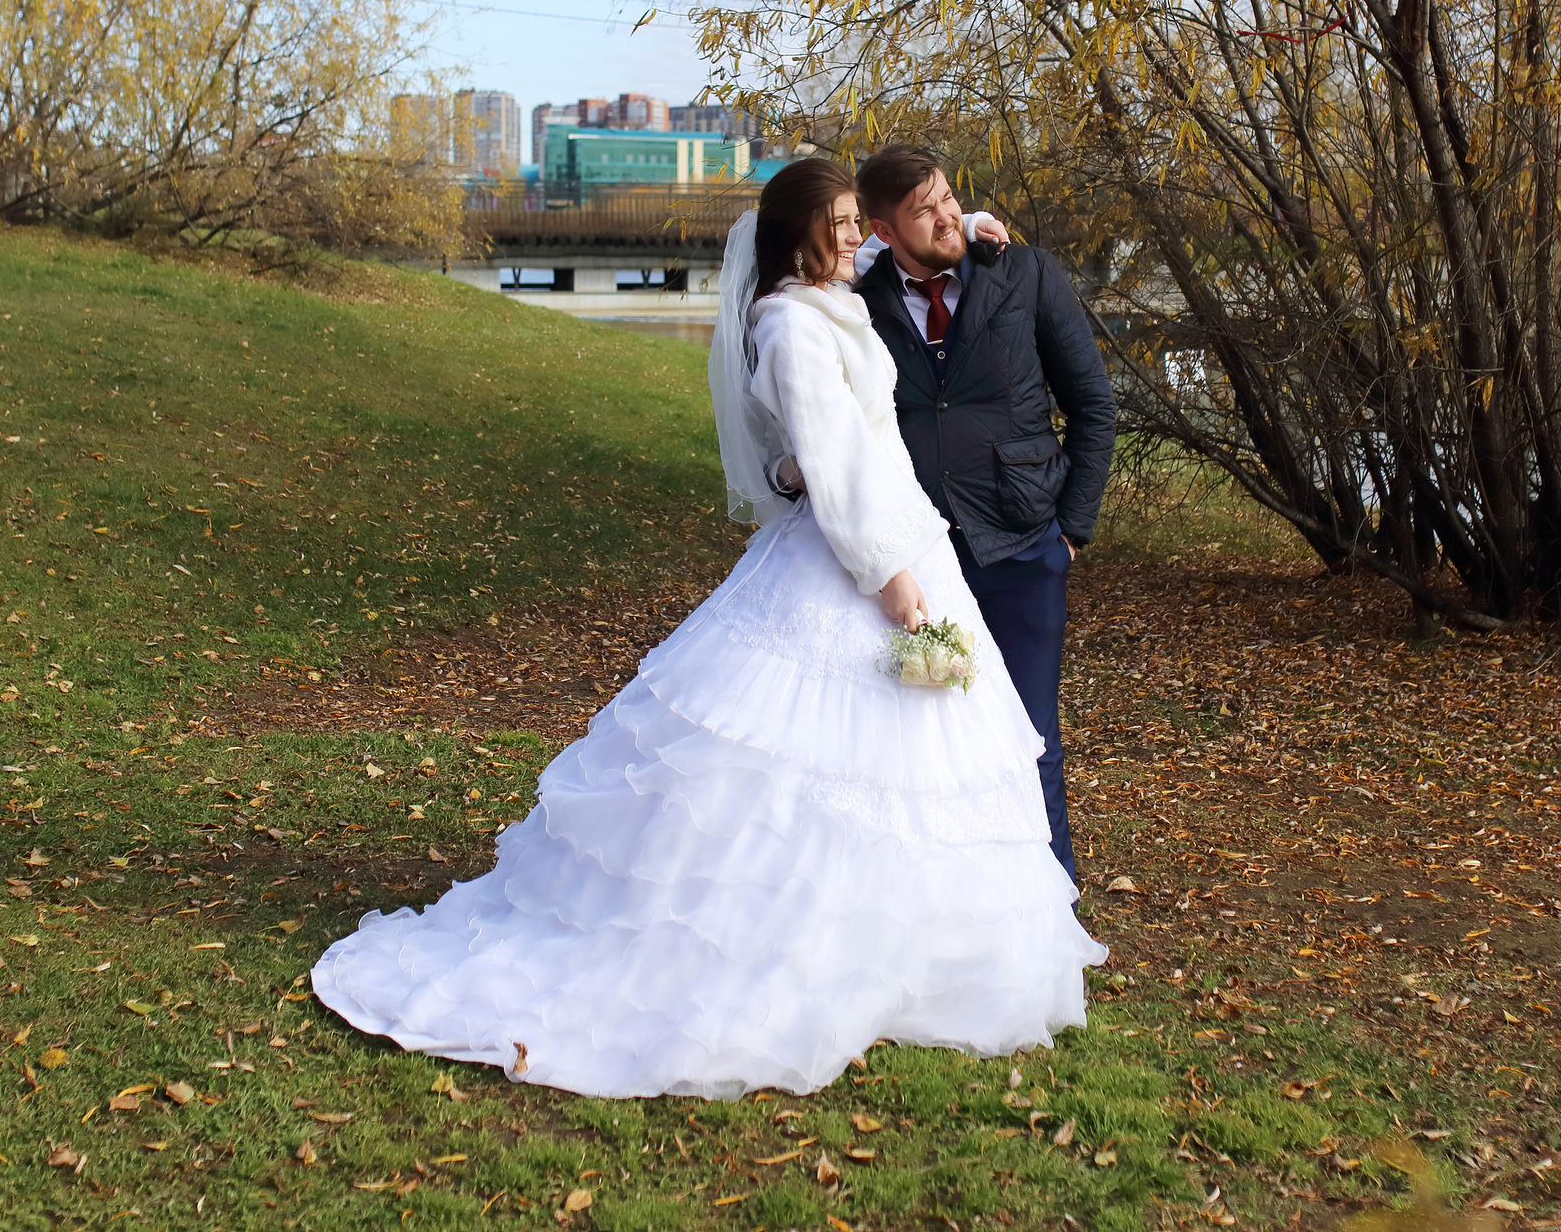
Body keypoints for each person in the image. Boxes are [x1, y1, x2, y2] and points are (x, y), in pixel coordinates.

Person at [310, 157, 1104, 1099]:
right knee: (816, 767)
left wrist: (969, 219)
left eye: (863, 221)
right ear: (802, 233)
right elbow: (836, 462)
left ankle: (905, 952)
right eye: (845, 222)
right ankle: (800, 950)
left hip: (917, 535)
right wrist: (887, 576)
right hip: (871, 553)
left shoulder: (834, 297)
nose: (860, 236)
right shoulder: (791, 324)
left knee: (911, 761)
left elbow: (840, 421)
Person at [843, 145, 1116, 882]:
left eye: (948, 197)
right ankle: (948, 897)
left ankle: (1050, 899)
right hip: (922, 558)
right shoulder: (858, 302)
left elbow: (1093, 403)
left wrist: (1069, 528)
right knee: (924, 736)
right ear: (883, 229)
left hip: (1025, 545)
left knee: (1028, 733)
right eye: (922, 211)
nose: (946, 217)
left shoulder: (1024, 273)